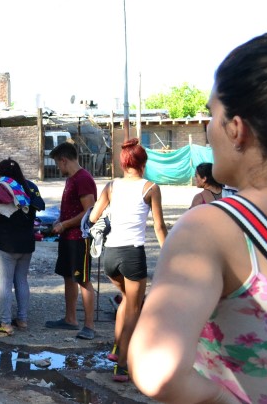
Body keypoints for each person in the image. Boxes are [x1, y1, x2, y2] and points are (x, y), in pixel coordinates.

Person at [129, 30, 267, 403]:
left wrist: (221, 398)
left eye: (212, 113)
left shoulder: (213, 229)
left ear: (237, 129)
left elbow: (157, 369)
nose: (208, 127)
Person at [87, 139, 167, 382]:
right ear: (143, 163)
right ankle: (122, 365)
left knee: (126, 300)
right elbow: (160, 227)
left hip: (110, 254)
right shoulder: (150, 188)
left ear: (123, 163)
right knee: (135, 306)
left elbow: (92, 217)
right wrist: (169, 253)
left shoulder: (111, 186)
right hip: (133, 254)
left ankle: (115, 348)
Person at [0, 158, 45, 337]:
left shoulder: (0, 188)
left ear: (0, 174)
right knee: (22, 280)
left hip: (5, 244)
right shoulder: (29, 187)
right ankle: (22, 320)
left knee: (4, 284)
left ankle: (6, 324)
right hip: (26, 243)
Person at [46, 141, 98, 339]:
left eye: (58, 164)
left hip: (80, 238)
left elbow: (89, 212)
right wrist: (61, 221)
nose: (58, 168)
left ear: (64, 160)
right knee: (68, 277)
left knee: (82, 280)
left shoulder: (83, 179)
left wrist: (66, 224)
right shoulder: (72, 178)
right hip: (68, 236)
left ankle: (90, 325)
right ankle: (70, 319)